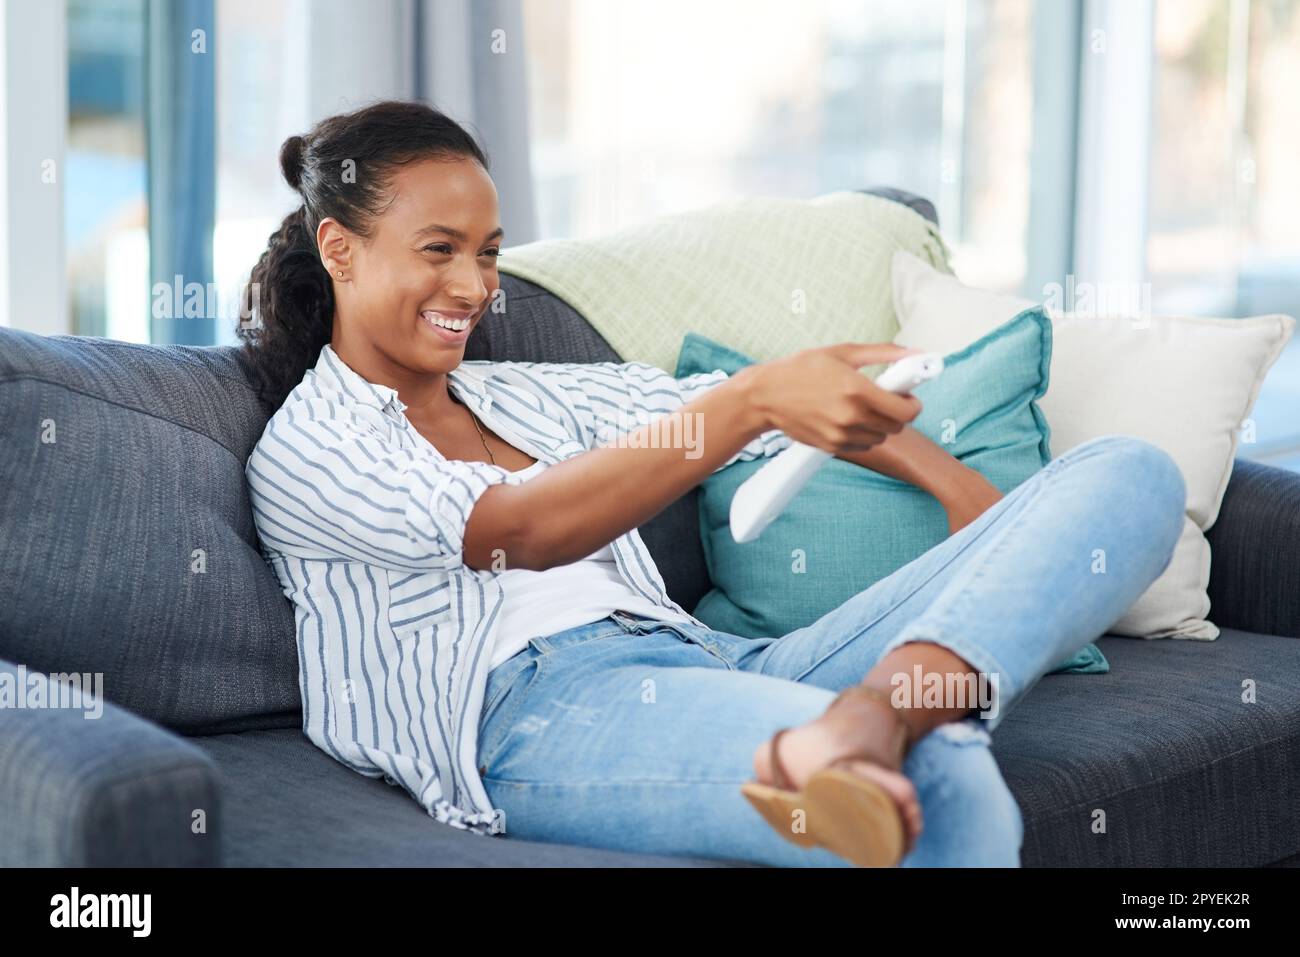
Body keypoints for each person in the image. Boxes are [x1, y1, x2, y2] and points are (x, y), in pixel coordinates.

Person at [239, 100, 1186, 867]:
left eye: (487, 252)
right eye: (438, 248)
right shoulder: (308, 450)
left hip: (708, 658)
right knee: (943, 782)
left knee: (1131, 473)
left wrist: (952, 485)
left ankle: (866, 718)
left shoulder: (527, 395)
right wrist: (759, 398)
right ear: (340, 249)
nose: (475, 284)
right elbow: (521, 530)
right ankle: (864, 737)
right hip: (535, 714)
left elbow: (733, 408)